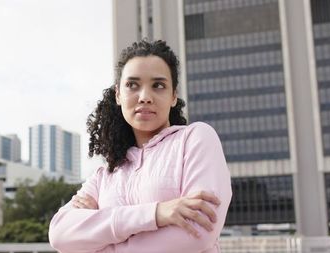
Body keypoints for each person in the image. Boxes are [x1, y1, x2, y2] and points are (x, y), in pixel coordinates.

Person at [49, 39, 232, 253]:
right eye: (132, 85)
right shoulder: (105, 176)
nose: (145, 97)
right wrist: (156, 213)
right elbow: (60, 233)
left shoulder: (195, 139)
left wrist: (100, 241)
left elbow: (197, 233)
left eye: (158, 85)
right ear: (118, 94)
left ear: (174, 96)